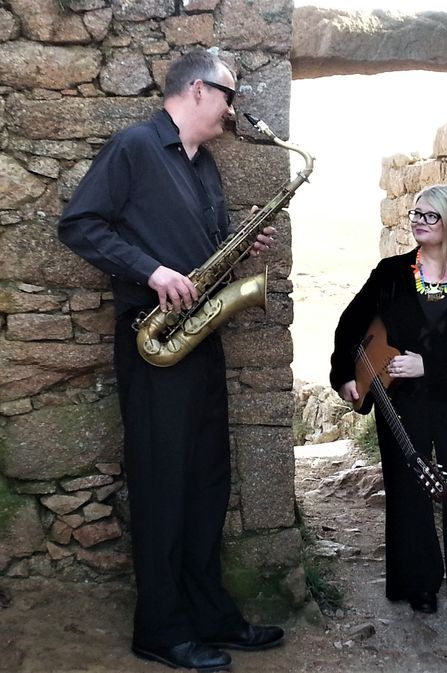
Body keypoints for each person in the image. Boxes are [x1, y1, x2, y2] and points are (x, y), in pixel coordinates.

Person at [59, 48, 283, 671]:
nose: (233, 110)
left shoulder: (204, 164)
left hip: (198, 338)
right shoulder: (133, 147)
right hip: (152, 343)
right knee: (162, 484)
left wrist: (240, 247)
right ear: (196, 91)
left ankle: (210, 614)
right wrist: (151, 270)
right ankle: (160, 628)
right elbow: (79, 224)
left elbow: (201, 251)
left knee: (207, 481)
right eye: (228, 97)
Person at [330, 184, 447, 614]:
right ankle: (417, 584)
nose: (418, 222)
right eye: (415, 214)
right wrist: (343, 375)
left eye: (429, 215)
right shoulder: (391, 273)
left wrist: (428, 363)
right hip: (401, 399)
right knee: (408, 490)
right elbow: (351, 323)